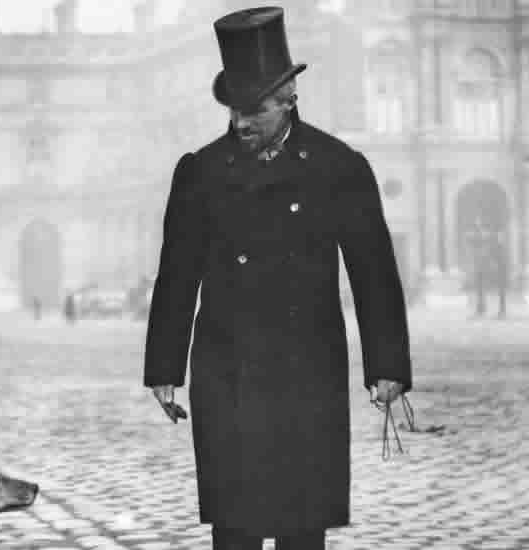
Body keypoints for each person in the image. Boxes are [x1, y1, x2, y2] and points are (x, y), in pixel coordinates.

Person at [143, 8, 413, 550]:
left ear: (289, 98)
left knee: (301, 522)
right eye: (234, 111)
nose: (242, 124)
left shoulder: (338, 167)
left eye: (255, 111)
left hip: (306, 369)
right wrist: (164, 367)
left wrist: (386, 365)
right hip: (228, 368)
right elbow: (176, 275)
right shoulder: (199, 172)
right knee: (235, 525)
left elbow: (374, 272)